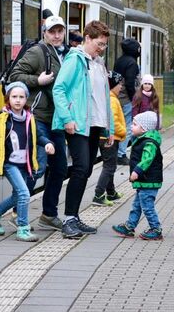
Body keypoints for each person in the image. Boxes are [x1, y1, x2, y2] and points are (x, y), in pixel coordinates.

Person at [52, 20, 115, 239]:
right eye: (99, 43)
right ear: (87, 38)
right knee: (80, 168)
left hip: (95, 124)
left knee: (86, 170)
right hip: (78, 123)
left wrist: (109, 128)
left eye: (105, 45)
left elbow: (105, 98)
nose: (102, 48)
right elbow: (58, 88)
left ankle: (74, 216)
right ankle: (69, 219)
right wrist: (67, 118)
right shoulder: (76, 60)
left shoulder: (97, 63)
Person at [8, 15, 68, 225]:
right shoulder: (38, 52)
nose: (57, 35)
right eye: (52, 31)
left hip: (56, 119)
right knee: (38, 167)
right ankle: (17, 212)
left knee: (60, 167)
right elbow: (14, 76)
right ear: (45, 33)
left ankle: (48, 214)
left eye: (60, 31)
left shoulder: (64, 53)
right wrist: (37, 80)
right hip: (38, 118)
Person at [0, 82, 55, 242]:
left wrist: (48, 143)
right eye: (14, 97)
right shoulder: (1, 120)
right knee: (24, 193)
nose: (17, 100)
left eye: (21, 97)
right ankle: (22, 228)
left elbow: (38, 136)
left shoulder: (30, 118)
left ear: (26, 99)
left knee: (17, 196)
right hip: (10, 164)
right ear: (8, 99)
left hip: (26, 164)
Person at [111, 111, 163, 241]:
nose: (131, 126)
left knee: (147, 207)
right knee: (137, 206)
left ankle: (156, 229)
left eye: (134, 124)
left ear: (143, 128)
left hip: (148, 181)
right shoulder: (142, 140)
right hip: (143, 181)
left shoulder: (149, 143)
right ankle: (130, 226)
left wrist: (137, 171)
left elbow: (147, 159)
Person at [93, 71, 128, 206]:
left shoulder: (109, 97)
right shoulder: (111, 100)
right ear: (112, 85)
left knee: (111, 165)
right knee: (109, 166)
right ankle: (99, 194)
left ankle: (111, 192)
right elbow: (112, 120)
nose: (121, 87)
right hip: (109, 138)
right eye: (119, 84)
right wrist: (124, 131)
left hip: (107, 137)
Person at [114, 38, 141, 164]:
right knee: (127, 126)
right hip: (126, 99)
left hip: (117, 97)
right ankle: (121, 154)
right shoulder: (132, 63)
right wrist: (134, 98)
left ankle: (116, 152)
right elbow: (130, 83)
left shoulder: (119, 61)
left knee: (117, 125)